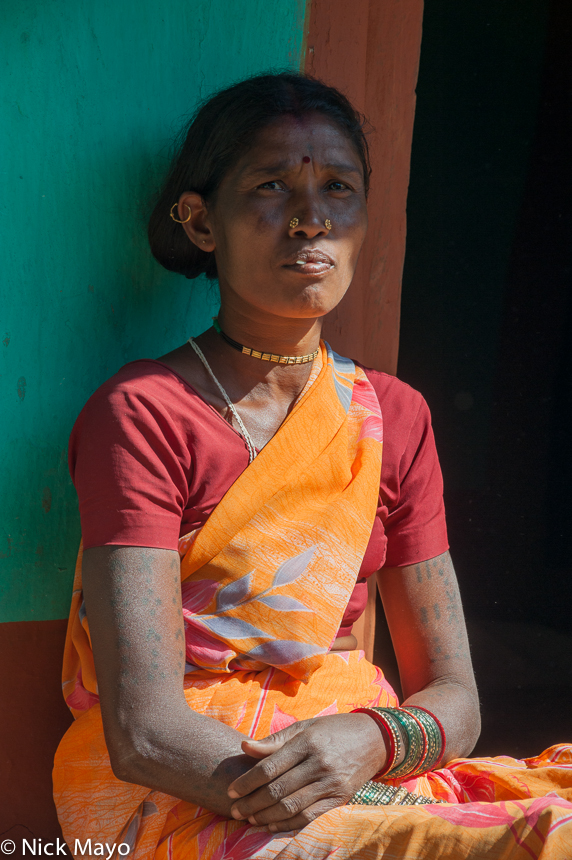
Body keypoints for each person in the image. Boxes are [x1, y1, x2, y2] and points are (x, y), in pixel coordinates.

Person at [54, 73, 572, 859]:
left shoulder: (394, 418)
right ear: (200, 222)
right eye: (271, 186)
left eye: (338, 187)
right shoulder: (145, 413)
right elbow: (143, 733)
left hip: (359, 768)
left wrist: (371, 743)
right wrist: (348, 793)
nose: (311, 218)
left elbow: (456, 700)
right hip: (181, 792)